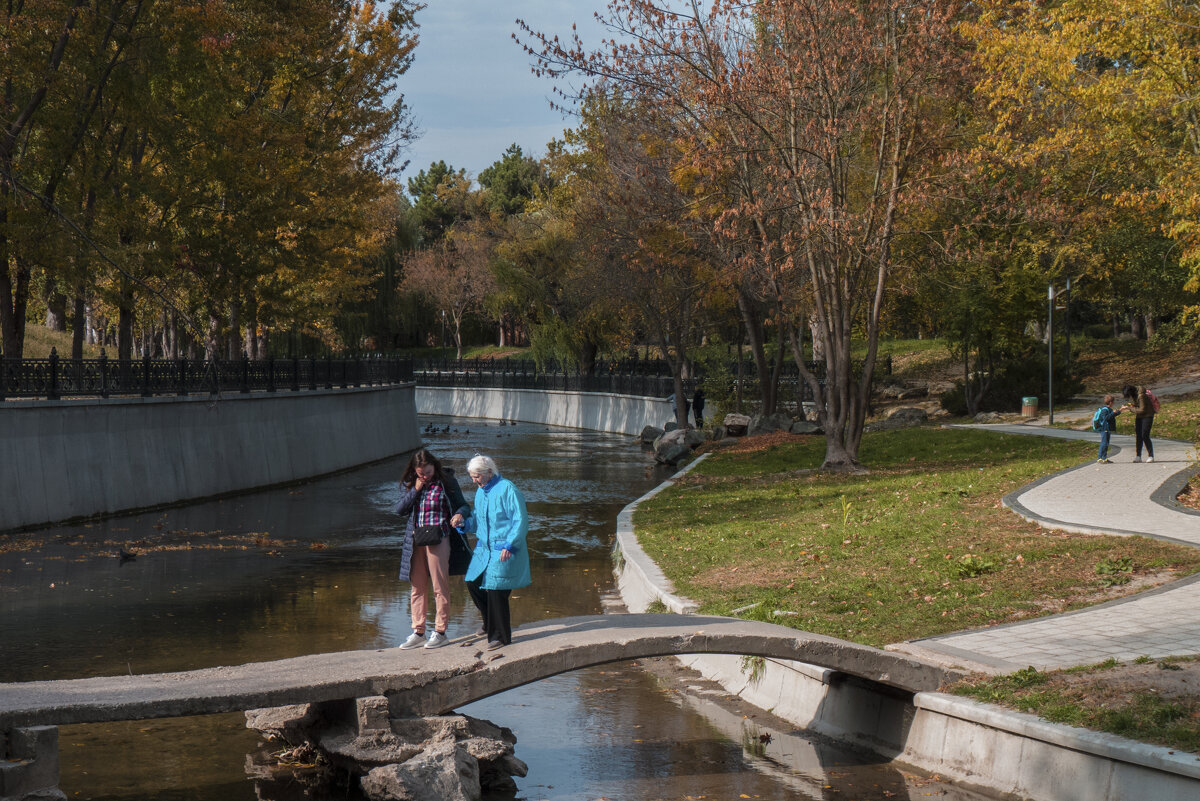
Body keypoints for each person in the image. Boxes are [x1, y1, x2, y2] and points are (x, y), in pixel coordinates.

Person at [450, 454, 530, 650]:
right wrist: (464, 524)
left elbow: (520, 521)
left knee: (496, 590)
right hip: (484, 549)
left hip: (504, 549)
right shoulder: (481, 492)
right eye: (471, 477)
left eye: (476, 476)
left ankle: (500, 636)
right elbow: (478, 520)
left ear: (488, 472)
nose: (474, 481)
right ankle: (488, 622)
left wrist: (509, 545)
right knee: (473, 582)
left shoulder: (508, 489)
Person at [394, 449, 470, 650]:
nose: (424, 476)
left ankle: (440, 631)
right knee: (417, 586)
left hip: (439, 537)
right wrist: (416, 489)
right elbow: (400, 510)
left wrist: (459, 515)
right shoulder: (413, 483)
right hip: (415, 540)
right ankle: (418, 632)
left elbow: (464, 506)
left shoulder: (447, 482)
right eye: (420, 473)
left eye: (427, 472)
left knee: (440, 586)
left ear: (434, 467)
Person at [1121, 385, 1155, 463]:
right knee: (1138, 436)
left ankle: (1151, 455)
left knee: (1145, 435)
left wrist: (1129, 409)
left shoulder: (1141, 396)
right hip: (1140, 417)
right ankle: (1138, 456)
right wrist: (1133, 406)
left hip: (1147, 416)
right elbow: (1139, 406)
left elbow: (1142, 409)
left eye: (1128, 395)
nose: (1129, 397)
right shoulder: (1135, 395)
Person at [1094, 394, 1121, 464]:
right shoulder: (1104, 410)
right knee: (1104, 443)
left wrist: (1120, 410)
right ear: (1111, 402)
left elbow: (1112, 416)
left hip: (1107, 429)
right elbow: (1106, 418)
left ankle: (1104, 458)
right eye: (1113, 402)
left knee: (1106, 443)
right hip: (1104, 428)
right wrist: (1113, 413)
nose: (1114, 403)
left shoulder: (1109, 409)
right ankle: (1099, 458)